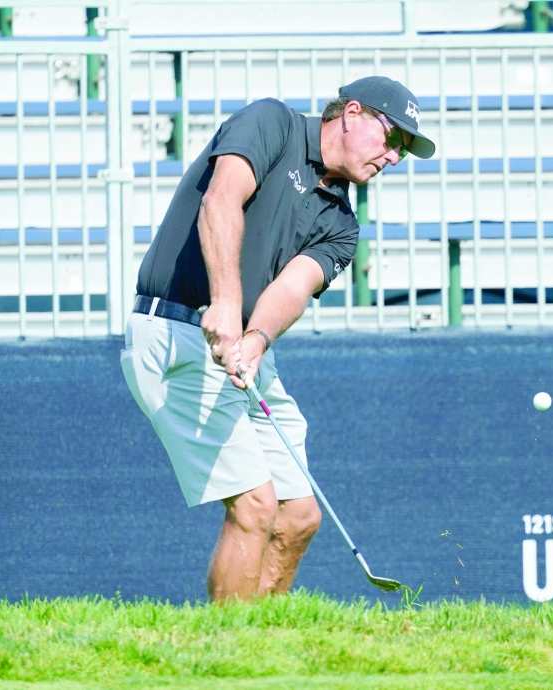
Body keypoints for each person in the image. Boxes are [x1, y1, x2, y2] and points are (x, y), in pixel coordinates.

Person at [120, 76, 435, 602]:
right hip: (173, 331)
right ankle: (228, 660)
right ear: (352, 113)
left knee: (298, 513)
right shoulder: (271, 123)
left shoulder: (342, 224)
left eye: (404, 149)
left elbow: (293, 286)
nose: (395, 157)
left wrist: (257, 338)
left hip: (240, 353)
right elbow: (220, 201)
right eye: (392, 137)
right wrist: (224, 303)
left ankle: (265, 646)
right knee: (256, 507)